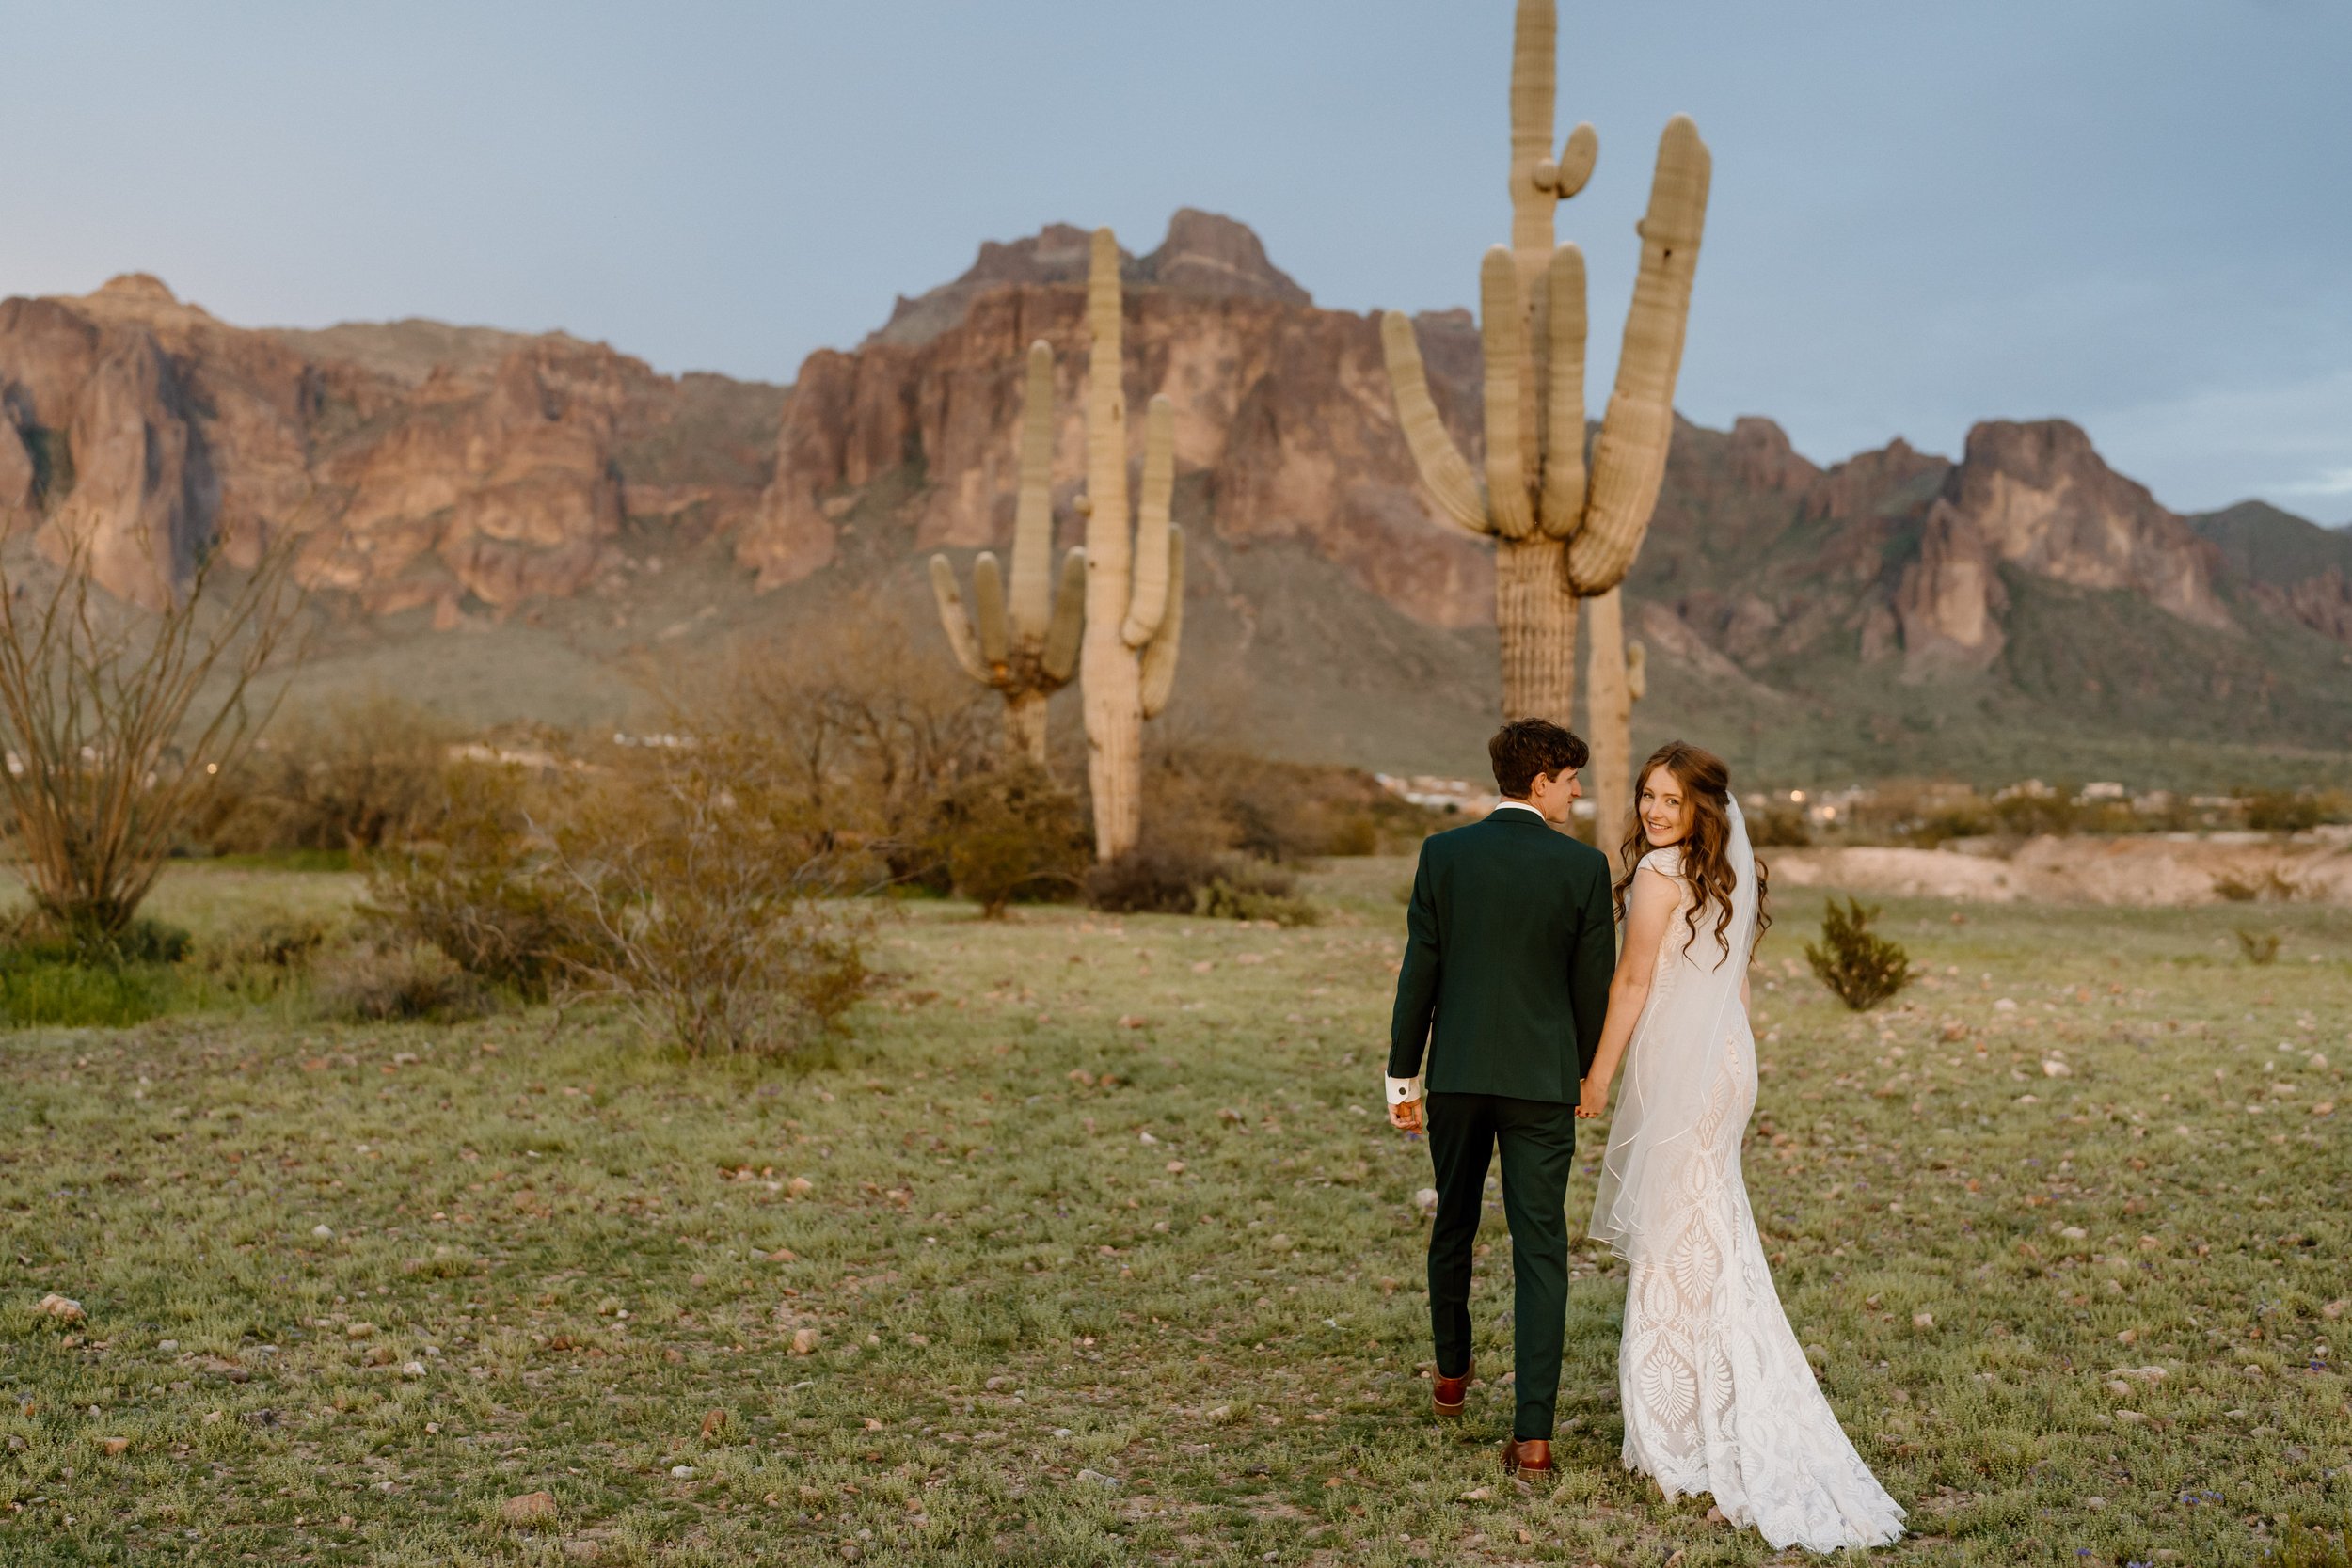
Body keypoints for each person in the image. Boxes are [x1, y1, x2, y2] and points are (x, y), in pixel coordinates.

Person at [1581, 741, 1905, 1551]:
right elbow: (1736, 978)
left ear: (1702, 808)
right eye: (1646, 796)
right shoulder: (1725, 871)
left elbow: (1631, 982)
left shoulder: (1659, 875)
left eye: (1669, 799)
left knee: (1681, 1236)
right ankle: (1699, 1404)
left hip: (1688, 1067)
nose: (1653, 811)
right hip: (1726, 1059)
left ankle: (1687, 1425)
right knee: (1706, 1228)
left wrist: (1596, 1078)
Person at [1386, 718, 1616, 1477]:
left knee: (1452, 1221)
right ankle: (1534, 1436)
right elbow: (1593, 988)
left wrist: (1402, 1074)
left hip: (1453, 1074)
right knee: (1540, 1247)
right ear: (1542, 778)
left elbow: (1421, 969)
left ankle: (1452, 1372)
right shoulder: (1582, 868)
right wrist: (1587, 1075)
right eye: (1571, 777)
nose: (1578, 791)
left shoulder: (1444, 854)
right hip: (1541, 1084)